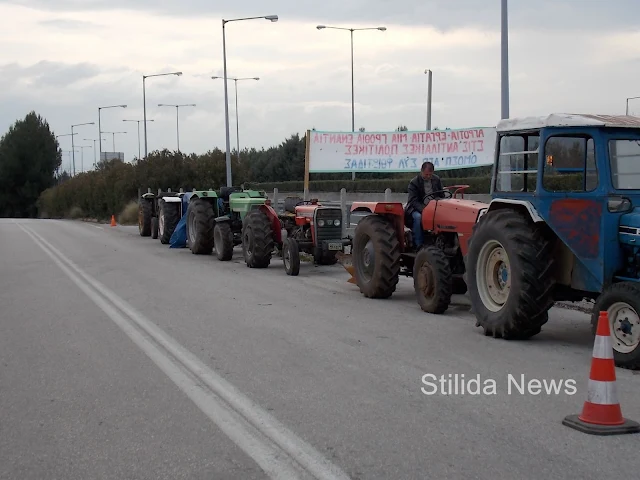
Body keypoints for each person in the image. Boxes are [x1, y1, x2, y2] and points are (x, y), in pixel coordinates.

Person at [405, 161, 445, 249]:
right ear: (421, 171)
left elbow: (441, 195)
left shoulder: (436, 180)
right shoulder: (414, 183)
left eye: (430, 175)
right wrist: (424, 210)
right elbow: (413, 201)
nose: (428, 176)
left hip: (434, 207)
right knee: (418, 217)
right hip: (417, 208)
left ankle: (441, 241)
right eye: (426, 174)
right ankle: (419, 244)